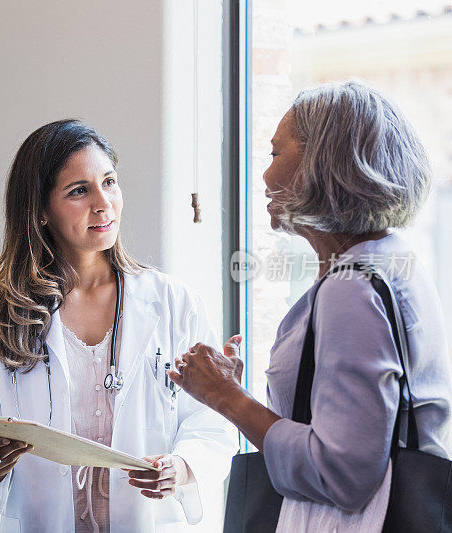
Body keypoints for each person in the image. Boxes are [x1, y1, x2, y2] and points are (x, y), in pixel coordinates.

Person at [169, 81, 452, 527]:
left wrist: (227, 398)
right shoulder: (394, 263)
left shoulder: (351, 289)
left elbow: (343, 476)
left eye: (276, 154)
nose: (264, 177)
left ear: (322, 162)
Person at [0, 119, 237, 532]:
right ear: (41, 211)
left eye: (110, 182)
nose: (104, 204)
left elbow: (211, 422)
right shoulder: (3, 311)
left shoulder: (173, 304)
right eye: (79, 191)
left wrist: (183, 467)